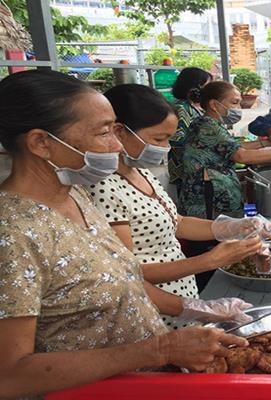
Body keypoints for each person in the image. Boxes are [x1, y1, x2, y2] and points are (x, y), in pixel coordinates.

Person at [0, 70, 250, 398]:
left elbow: (128, 279)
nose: (117, 144)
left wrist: (197, 309)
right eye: (104, 132)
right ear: (41, 143)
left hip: (146, 381)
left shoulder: (72, 195)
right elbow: (10, 377)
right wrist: (160, 350)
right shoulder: (14, 235)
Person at [90, 84, 262, 328]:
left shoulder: (141, 172)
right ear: (120, 132)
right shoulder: (104, 188)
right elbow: (128, 272)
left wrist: (233, 227)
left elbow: (177, 222)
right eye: (158, 138)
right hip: (153, 309)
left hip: (180, 295)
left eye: (168, 139)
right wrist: (208, 261)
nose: (165, 147)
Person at [179, 80, 271, 219]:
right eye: (234, 103)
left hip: (216, 194)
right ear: (214, 105)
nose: (239, 107)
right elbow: (241, 156)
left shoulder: (211, 124)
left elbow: (230, 146)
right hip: (208, 198)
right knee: (213, 238)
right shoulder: (208, 126)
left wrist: (267, 143)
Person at [168, 67, 213, 198]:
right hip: (186, 168)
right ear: (194, 87)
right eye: (207, 86)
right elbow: (176, 139)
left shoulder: (193, 107)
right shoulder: (182, 108)